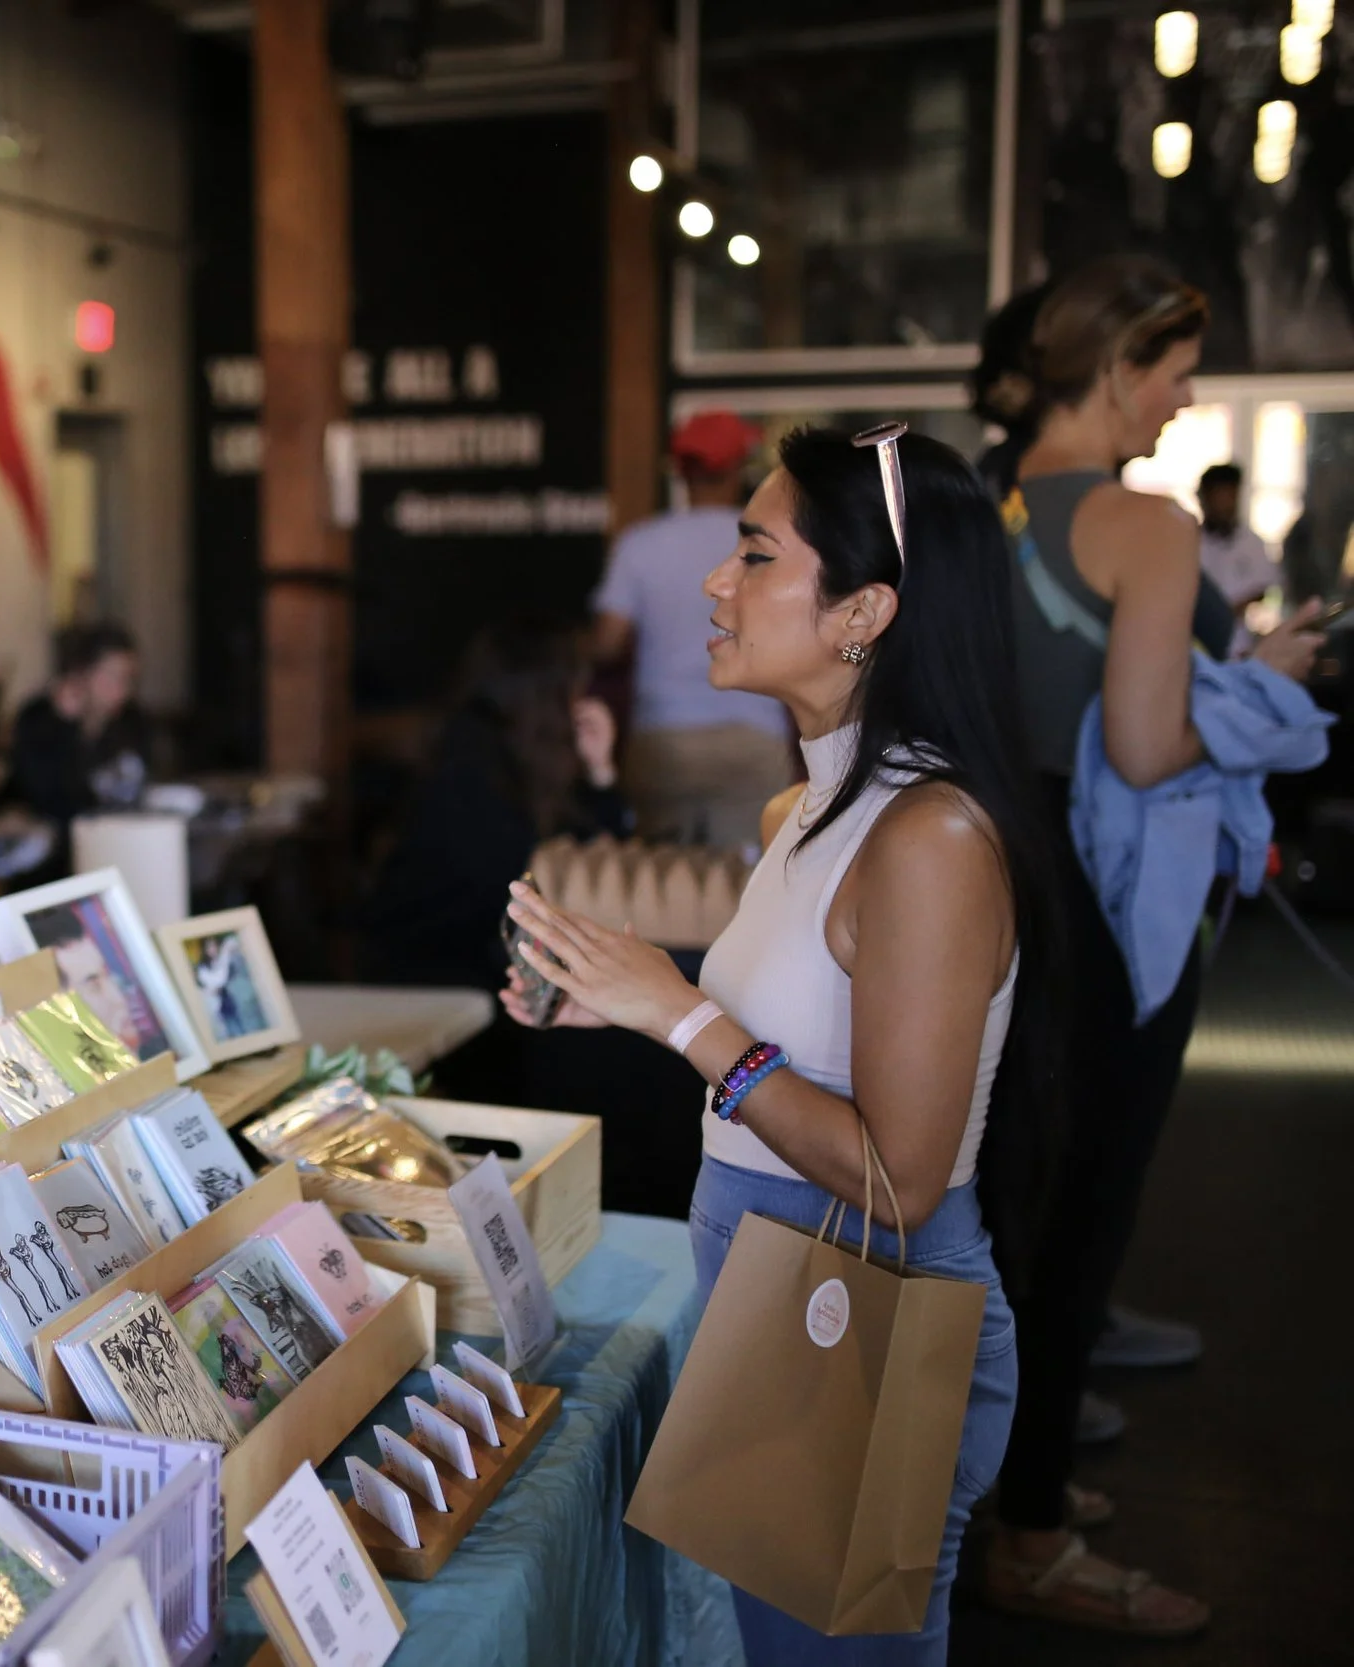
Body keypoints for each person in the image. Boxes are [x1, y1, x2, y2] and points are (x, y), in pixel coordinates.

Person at [504, 425, 1050, 1662]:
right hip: (778, 1297)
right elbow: (797, 1028)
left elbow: (899, 1176)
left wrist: (689, 1015)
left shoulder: (932, 838)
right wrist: (630, 998)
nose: (713, 580)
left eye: (754, 553)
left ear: (862, 609)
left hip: (858, 1304)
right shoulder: (800, 806)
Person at [969, 255, 1324, 1636]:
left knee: (992, 1199)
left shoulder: (967, 509)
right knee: (1080, 1213)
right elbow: (1143, 741)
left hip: (974, 876)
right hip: (1100, 899)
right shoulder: (1149, 524)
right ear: (1110, 368)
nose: (1184, 397)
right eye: (1172, 369)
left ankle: (1001, 1482)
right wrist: (1264, 687)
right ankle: (1036, 1531)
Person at [360, 617, 622, 993]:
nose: (582, 699)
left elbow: (591, 858)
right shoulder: (471, 758)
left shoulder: (521, 752)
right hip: (438, 974)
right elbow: (542, 874)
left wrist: (601, 771)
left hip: (484, 960)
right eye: (576, 685)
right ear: (545, 688)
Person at [592, 410, 793, 848]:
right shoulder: (769, 541)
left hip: (663, 738)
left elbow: (606, 643)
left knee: (658, 889)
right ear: (739, 467)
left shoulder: (641, 542)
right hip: (752, 736)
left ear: (680, 471)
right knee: (746, 887)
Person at [4, 622, 147, 826]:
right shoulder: (40, 720)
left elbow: (139, 790)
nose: (121, 689)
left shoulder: (132, 722)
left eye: (129, 678)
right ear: (81, 673)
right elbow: (43, 800)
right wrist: (64, 726)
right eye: (112, 676)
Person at [1194, 463, 1280, 656]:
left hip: (1239, 647)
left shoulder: (1253, 543)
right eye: (1218, 497)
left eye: (1230, 497)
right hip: (1195, 646)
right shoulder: (1189, 542)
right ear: (1203, 497)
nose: (1224, 505)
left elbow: (1262, 589)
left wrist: (1223, 614)